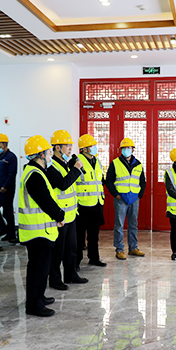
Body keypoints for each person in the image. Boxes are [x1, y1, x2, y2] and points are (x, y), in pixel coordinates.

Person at [19, 135, 65, 317]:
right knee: (38, 269)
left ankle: (39, 297)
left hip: (40, 231)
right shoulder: (35, 175)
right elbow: (45, 201)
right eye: (48, 152)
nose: (50, 155)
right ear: (40, 155)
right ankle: (34, 305)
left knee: (39, 268)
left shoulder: (35, 171)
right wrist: (59, 215)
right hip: (37, 232)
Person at [46, 130, 88, 290]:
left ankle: (71, 275)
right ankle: (55, 279)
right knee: (58, 251)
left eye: (71, 145)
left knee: (71, 249)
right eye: (67, 145)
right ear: (57, 147)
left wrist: (73, 167)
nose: (70, 148)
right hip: (60, 217)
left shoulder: (65, 164)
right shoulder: (51, 166)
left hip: (71, 215)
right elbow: (63, 184)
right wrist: (76, 169)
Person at [105, 137, 146, 260]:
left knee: (133, 224)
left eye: (128, 148)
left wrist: (139, 195)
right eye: (124, 148)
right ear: (121, 150)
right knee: (119, 225)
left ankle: (133, 248)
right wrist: (115, 194)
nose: (126, 150)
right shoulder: (115, 163)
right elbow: (109, 181)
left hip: (134, 198)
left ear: (133, 149)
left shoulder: (138, 164)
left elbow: (142, 181)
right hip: (121, 199)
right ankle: (119, 249)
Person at [75, 134, 106, 268]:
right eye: (91, 146)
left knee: (94, 234)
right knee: (79, 236)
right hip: (82, 204)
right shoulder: (77, 161)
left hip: (97, 202)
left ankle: (94, 258)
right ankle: (76, 262)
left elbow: (100, 180)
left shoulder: (97, 161)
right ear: (84, 149)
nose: (94, 148)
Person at [0, 133, 18, 243]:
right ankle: (3, 227)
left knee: (7, 212)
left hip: (7, 189)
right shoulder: (0, 157)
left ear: (4, 144)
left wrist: (5, 186)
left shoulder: (11, 157)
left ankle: (11, 234)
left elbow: (12, 173)